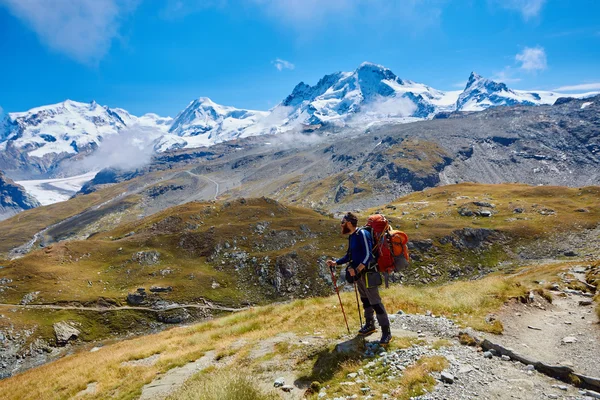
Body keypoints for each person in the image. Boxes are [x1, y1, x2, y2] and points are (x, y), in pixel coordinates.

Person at [327, 212, 392, 344]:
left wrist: (356, 269)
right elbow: (349, 256)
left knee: (376, 302)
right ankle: (370, 325)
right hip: (359, 275)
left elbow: (368, 255)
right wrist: (336, 263)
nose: (341, 225)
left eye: (342, 222)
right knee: (365, 300)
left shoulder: (362, 234)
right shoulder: (352, 236)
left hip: (368, 273)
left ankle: (386, 332)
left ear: (349, 223)